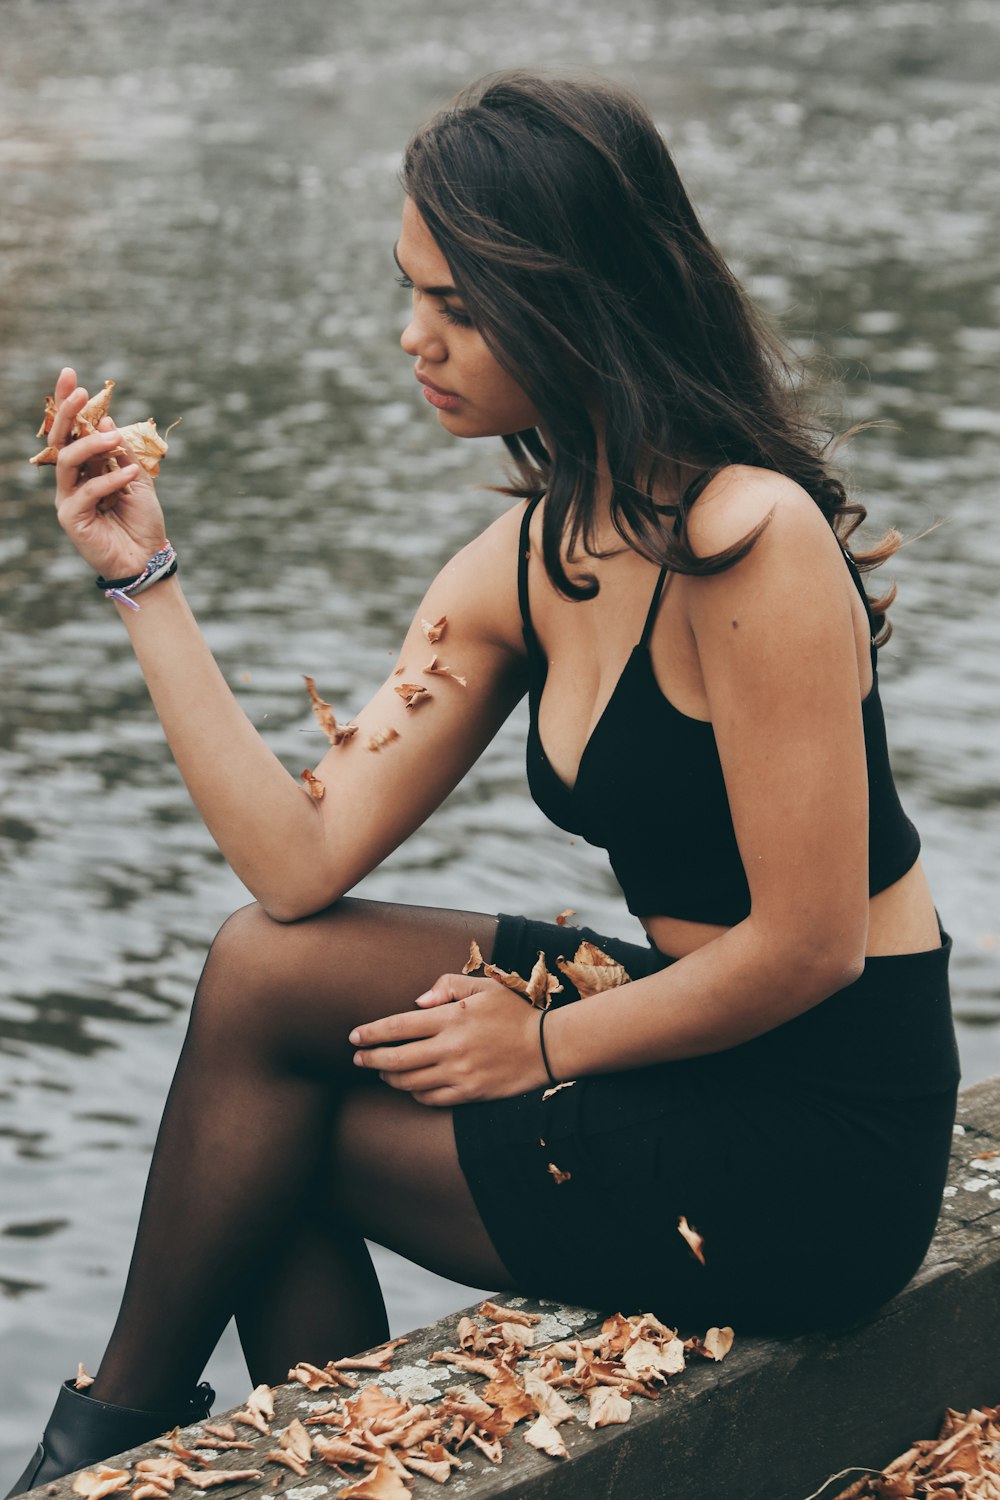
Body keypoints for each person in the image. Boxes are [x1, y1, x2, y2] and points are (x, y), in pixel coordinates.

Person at [8, 68, 959, 1495]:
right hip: (680, 1041)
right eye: (414, 296)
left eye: (457, 307)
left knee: (281, 1154)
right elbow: (299, 867)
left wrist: (546, 1048)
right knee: (268, 973)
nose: (416, 340)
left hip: (818, 1132)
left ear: (578, 297)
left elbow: (813, 948)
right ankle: (113, 1433)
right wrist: (145, 580)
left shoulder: (748, 541)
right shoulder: (531, 561)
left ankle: (100, 1447)